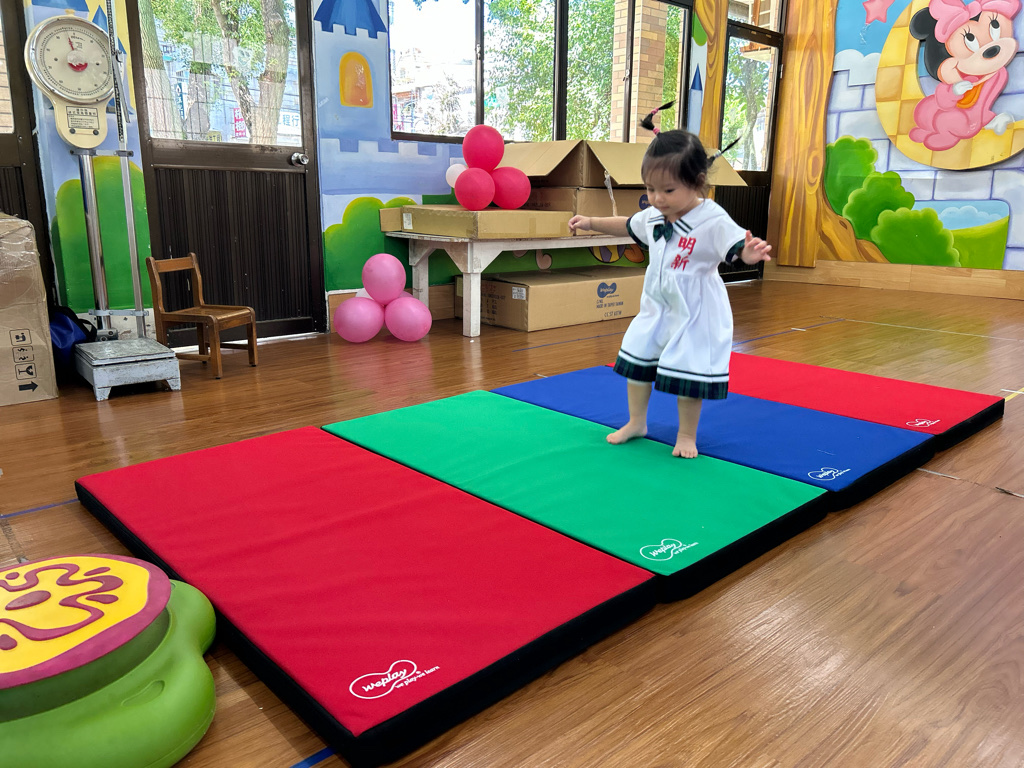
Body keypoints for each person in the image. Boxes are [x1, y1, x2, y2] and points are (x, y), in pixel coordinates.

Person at [567, 102, 772, 458]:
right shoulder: (655, 215)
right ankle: (637, 422)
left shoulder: (711, 217)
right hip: (657, 306)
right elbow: (627, 224)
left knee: (688, 377)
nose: (657, 199)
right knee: (637, 361)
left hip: (696, 312)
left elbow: (736, 243)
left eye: (668, 190)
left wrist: (749, 254)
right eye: (651, 189)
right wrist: (590, 222)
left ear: (697, 183)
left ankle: (686, 435)